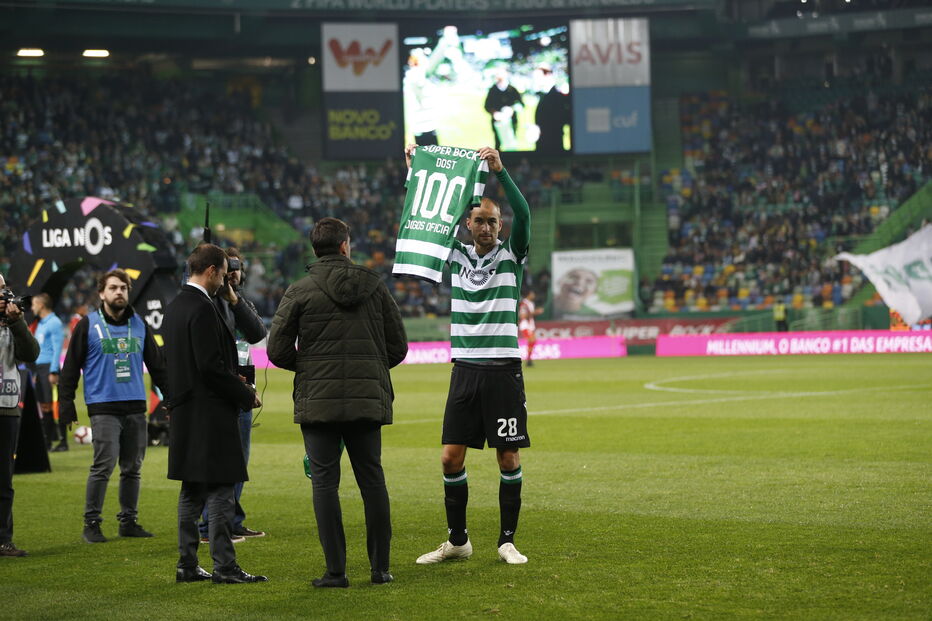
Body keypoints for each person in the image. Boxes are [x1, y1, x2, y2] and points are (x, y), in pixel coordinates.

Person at [267, 217, 408, 588]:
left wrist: (311, 368)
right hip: (366, 402)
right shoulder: (375, 286)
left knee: (324, 485)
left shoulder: (299, 290)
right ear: (346, 245)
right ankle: (380, 569)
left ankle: (336, 572)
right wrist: (369, 368)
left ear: (315, 249)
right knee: (372, 481)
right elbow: (398, 346)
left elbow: (276, 350)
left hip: (319, 404)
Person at [410, 145, 532, 566]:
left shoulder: (512, 255)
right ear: (467, 223)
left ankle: (507, 541)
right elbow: (431, 224)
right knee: (450, 457)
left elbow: (525, 213)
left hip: (502, 370)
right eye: (479, 220)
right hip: (464, 368)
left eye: (493, 221)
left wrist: (500, 171)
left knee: (508, 456)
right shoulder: (456, 254)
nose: (486, 227)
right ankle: (458, 541)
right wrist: (416, 174)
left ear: (501, 226)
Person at [163, 244, 266, 584]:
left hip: (185, 411)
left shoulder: (175, 307)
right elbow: (211, 367)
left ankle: (187, 564)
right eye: (222, 273)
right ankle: (225, 566)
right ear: (210, 271)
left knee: (192, 490)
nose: (225, 279)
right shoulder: (204, 308)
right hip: (210, 412)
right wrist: (245, 393)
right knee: (222, 487)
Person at [59, 269, 169, 544]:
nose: (119, 292)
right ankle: (91, 524)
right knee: (103, 466)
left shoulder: (139, 324)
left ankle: (128, 522)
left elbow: (158, 366)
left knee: (133, 468)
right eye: (113, 288)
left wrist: (171, 398)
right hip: (103, 407)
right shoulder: (88, 325)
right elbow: (70, 368)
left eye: (123, 288)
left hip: (135, 407)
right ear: (101, 293)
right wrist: (66, 403)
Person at [198, 247, 267, 545]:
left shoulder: (239, 302)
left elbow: (257, 334)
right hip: (219, 394)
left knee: (240, 463)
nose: (234, 273)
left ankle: (232, 521)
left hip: (244, 394)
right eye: (229, 267)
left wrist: (235, 300)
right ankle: (208, 526)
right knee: (217, 464)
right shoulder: (207, 303)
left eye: (238, 267)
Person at [0, 274, 40, 557]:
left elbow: (31, 353)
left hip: (7, 406)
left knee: (4, 481)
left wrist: (17, 323)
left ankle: (3, 539)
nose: (5, 295)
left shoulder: (11, 322)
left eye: (4, 288)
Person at [30, 294, 65, 451]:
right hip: (40, 368)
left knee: (54, 404)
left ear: (41, 305)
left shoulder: (54, 322)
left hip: (49, 367)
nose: (32, 308)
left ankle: (62, 442)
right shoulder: (41, 323)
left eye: (34, 304)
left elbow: (58, 348)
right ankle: (49, 440)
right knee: (44, 405)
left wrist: (54, 371)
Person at [532, 64, 570, 153]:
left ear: (548, 75)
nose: (535, 80)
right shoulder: (544, 95)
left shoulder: (557, 96)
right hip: (543, 144)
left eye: (538, 77)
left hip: (552, 145)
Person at [484, 66, 523, 151]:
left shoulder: (513, 90)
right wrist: (494, 113)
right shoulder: (493, 90)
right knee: (498, 145)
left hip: (511, 122)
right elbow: (487, 105)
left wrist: (512, 109)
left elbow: (521, 104)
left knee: (511, 145)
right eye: (497, 74)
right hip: (498, 122)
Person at [519, 290, 543, 367]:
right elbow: (522, 316)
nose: (534, 295)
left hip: (531, 325)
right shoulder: (524, 304)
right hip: (525, 325)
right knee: (531, 340)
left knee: (533, 341)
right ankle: (528, 360)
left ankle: (529, 359)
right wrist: (536, 312)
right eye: (532, 294)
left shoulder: (531, 303)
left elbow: (530, 315)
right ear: (528, 295)